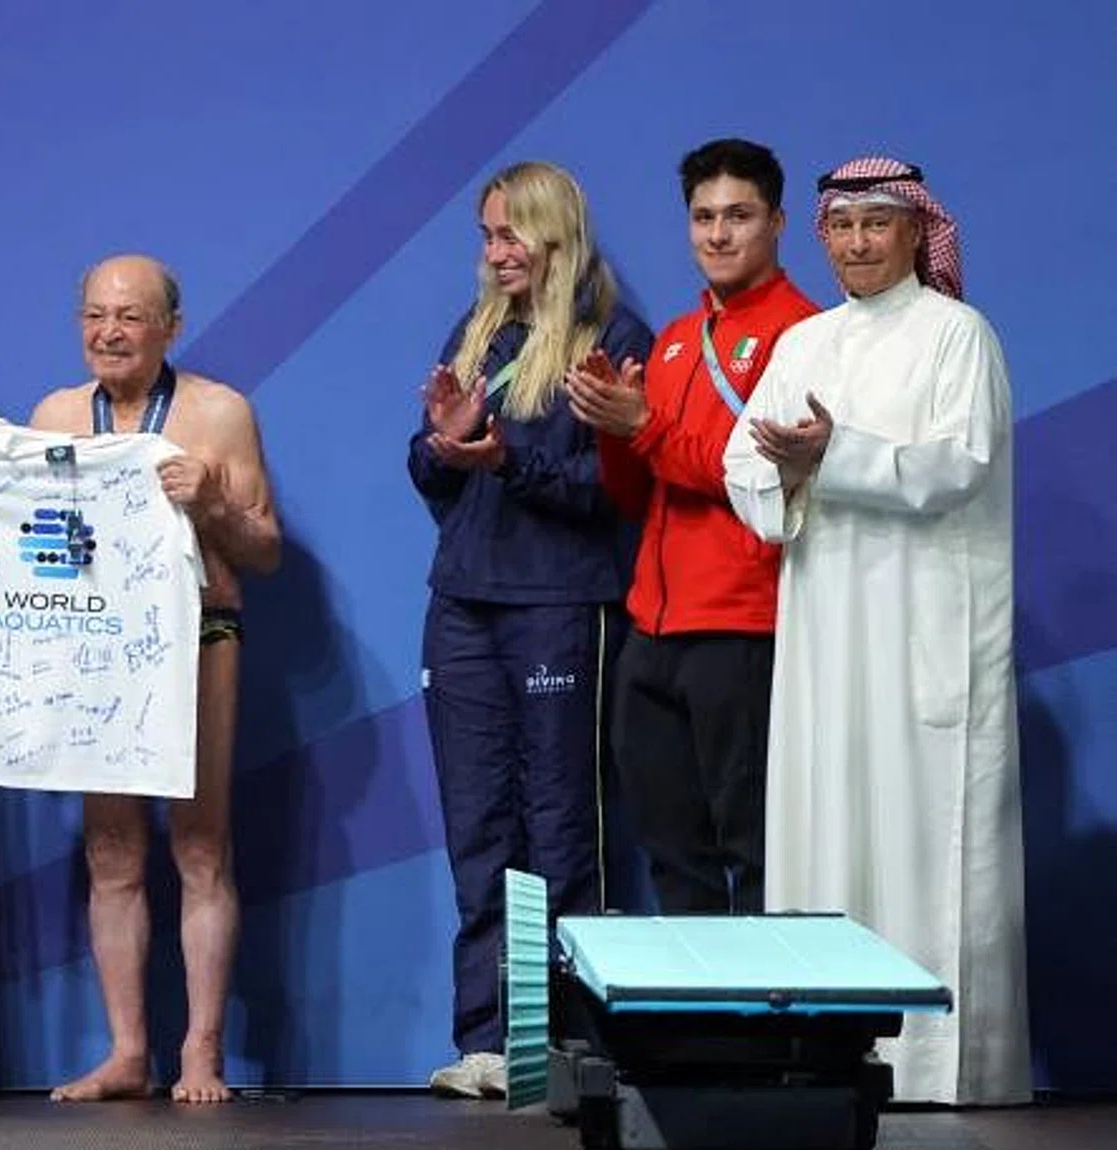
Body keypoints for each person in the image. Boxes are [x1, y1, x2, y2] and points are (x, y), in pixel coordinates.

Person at [0, 254, 280, 1103]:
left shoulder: (220, 412)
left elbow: (264, 551)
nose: (109, 333)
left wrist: (212, 505)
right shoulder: (54, 417)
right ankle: (127, 1053)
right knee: (111, 852)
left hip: (197, 639)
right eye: (95, 316)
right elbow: (26, 537)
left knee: (200, 848)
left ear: (171, 328)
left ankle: (202, 1052)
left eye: (130, 316)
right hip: (95, 651)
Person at [721, 156, 1029, 1105]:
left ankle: (941, 1065)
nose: (858, 244)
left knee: (931, 838)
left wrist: (834, 454)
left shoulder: (958, 335)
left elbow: (959, 464)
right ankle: (824, 1056)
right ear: (823, 236)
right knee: (829, 825)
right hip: (828, 635)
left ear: (916, 232)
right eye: (843, 227)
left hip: (928, 628)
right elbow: (742, 464)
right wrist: (790, 468)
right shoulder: (805, 344)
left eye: (878, 224)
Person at [408, 161, 652, 1099]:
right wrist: (443, 445)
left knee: (561, 829)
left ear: (556, 235)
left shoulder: (612, 340)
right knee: (479, 829)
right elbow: (430, 475)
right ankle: (487, 1041)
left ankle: (571, 1048)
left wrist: (506, 460)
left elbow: (613, 493)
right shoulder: (478, 333)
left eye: (511, 233)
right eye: (487, 235)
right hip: (463, 605)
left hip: (560, 605)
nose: (496, 252)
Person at [569, 139, 818, 914]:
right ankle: (698, 1002)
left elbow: (753, 477)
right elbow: (636, 496)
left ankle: (770, 1000)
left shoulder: (805, 335)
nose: (718, 234)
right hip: (652, 626)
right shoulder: (676, 339)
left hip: (742, 625)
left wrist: (641, 426)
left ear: (777, 223)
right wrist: (613, 429)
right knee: (672, 853)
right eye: (703, 217)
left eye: (738, 216)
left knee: (756, 848)